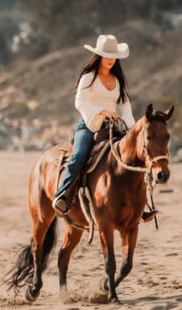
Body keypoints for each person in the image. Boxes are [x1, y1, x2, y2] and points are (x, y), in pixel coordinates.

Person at [51, 34, 136, 215]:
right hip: (89, 124)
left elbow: (125, 105)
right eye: (107, 56)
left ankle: (139, 204)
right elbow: (79, 102)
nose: (111, 60)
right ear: (99, 56)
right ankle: (62, 195)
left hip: (114, 127)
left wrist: (131, 128)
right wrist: (102, 111)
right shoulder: (89, 76)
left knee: (132, 156)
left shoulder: (119, 80)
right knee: (80, 155)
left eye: (114, 57)